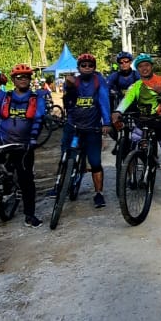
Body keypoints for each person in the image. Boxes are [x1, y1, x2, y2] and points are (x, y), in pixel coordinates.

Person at [111, 55, 161, 201]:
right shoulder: (136, 85)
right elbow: (127, 100)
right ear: (138, 69)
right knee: (131, 149)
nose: (144, 68)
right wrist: (118, 112)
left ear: (151, 66)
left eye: (147, 65)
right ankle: (131, 177)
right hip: (143, 122)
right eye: (141, 66)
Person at [0, 64, 46, 226]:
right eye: (19, 77)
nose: (23, 80)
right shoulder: (4, 97)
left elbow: (38, 120)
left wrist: (33, 139)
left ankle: (30, 214)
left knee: (26, 180)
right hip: (3, 141)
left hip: (24, 145)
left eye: (26, 77)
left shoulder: (36, 98)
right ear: (13, 80)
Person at [59, 53, 111, 208]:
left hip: (92, 127)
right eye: (83, 65)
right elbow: (67, 102)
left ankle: (98, 193)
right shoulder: (72, 81)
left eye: (90, 65)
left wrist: (106, 122)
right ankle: (60, 184)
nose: (87, 68)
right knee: (65, 155)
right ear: (78, 68)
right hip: (73, 126)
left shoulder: (98, 81)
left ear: (94, 67)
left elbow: (104, 102)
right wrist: (68, 87)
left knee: (95, 162)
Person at [107, 51, 138, 117]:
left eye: (126, 61)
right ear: (118, 64)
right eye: (121, 62)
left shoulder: (136, 74)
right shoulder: (115, 75)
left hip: (136, 105)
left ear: (130, 62)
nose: (124, 64)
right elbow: (106, 87)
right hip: (119, 104)